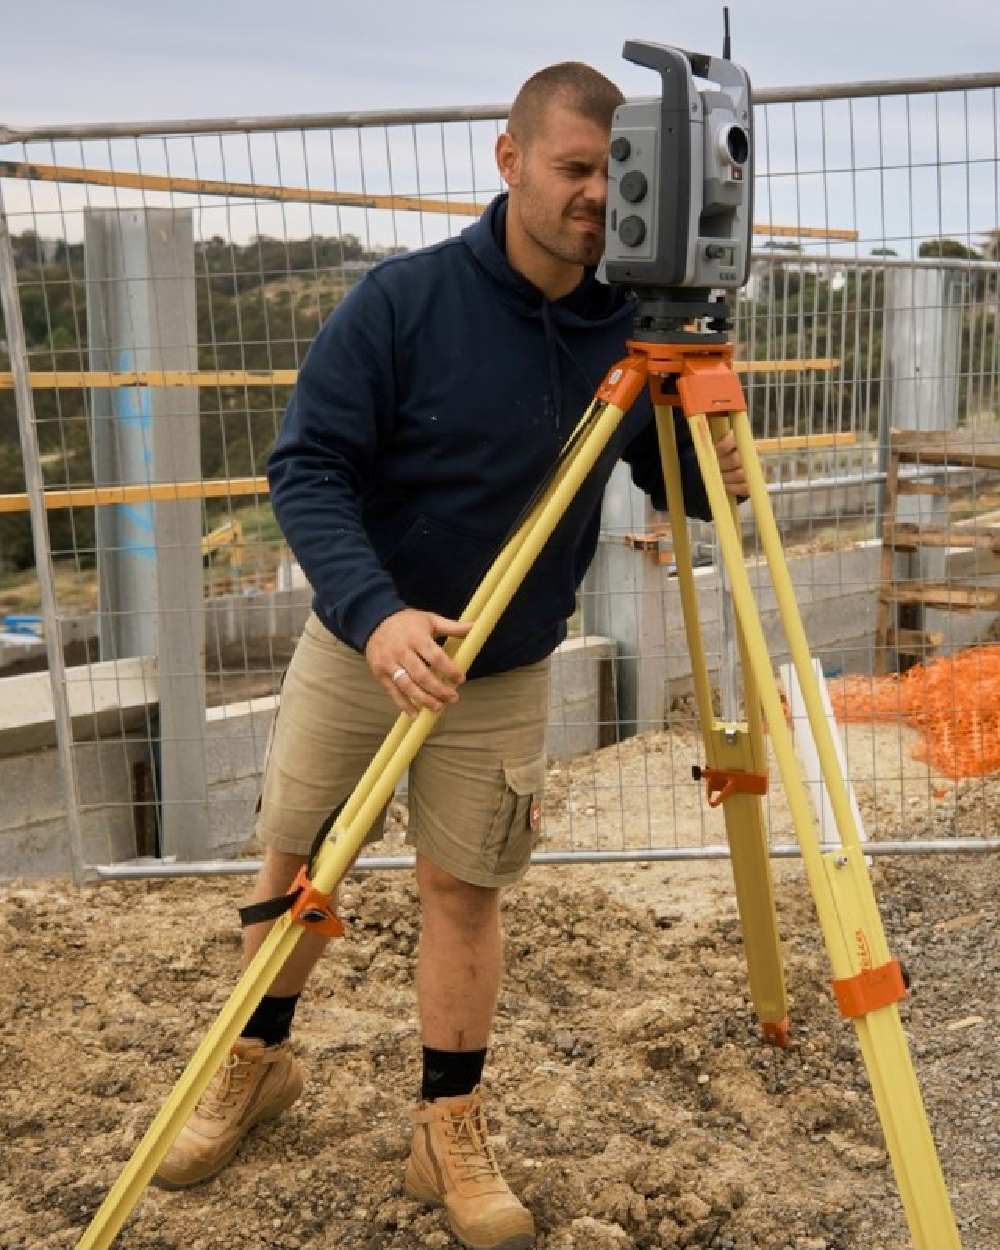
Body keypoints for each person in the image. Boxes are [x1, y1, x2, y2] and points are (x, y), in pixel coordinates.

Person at [154, 61, 748, 1250]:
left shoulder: (629, 330)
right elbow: (306, 468)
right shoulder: (401, 303)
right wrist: (375, 612)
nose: (596, 195)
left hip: (501, 664)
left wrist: (710, 448)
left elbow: (664, 484)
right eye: (575, 168)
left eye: (613, 173)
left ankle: (448, 1119)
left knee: (461, 892)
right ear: (509, 159)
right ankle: (255, 1063)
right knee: (295, 863)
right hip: (361, 641)